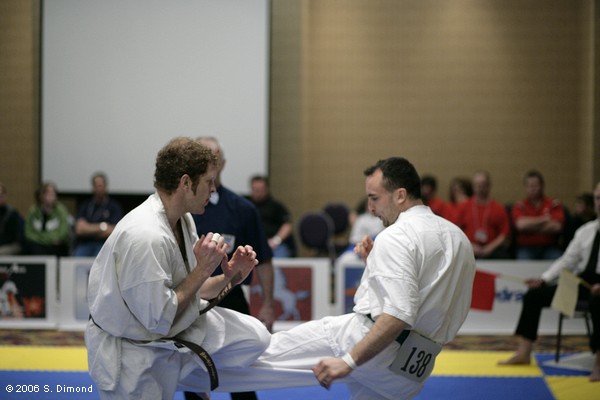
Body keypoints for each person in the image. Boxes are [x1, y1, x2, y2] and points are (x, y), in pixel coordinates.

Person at [213, 156, 477, 400]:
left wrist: (349, 361)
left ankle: (193, 367)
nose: (371, 209)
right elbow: (425, 289)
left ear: (400, 195)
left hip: (365, 343)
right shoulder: (458, 239)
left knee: (263, 353)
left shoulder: (397, 235)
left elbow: (398, 315)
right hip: (410, 370)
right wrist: (376, 262)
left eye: (374, 198)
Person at [85, 137, 271, 399]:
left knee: (255, 337)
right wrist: (202, 270)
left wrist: (231, 278)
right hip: (130, 357)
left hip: (160, 340)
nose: (213, 189)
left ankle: (193, 375)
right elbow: (159, 318)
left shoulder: (183, 220)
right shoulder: (146, 237)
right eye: (208, 181)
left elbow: (192, 290)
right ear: (185, 183)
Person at [189, 137, 275, 400]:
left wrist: (268, 304)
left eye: (213, 158)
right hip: (189, 301)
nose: (209, 163)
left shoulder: (242, 209)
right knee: (191, 377)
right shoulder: (181, 211)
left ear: (222, 164)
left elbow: (263, 260)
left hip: (231, 298)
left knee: (242, 376)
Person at [499, 181, 600, 382]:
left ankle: (599, 361)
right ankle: (524, 352)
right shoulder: (585, 231)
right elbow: (566, 261)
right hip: (583, 282)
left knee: (598, 302)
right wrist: (544, 279)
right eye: (598, 198)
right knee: (535, 295)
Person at [455, 171, 511, 259]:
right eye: (477, 185)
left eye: (483, 185)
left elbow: (504, 234)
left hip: (493, 251)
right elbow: (456, 231)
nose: (480, 188)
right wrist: (471, 245)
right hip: (469, 249)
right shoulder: (464, 207)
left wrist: (489, 248)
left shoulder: (498, 208)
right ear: (473, 187)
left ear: (489, 186)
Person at [511, 170, 565, 260]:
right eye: (530, 186)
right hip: (526, 248)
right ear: (525, 187)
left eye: (535, 185)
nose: (533, 189)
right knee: (523, 264)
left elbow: (557, 227)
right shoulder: (520, 205)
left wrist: (530, 227)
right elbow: (521, 225)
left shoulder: (553, 204)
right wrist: (544, 219)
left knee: (559, 262)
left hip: (549, 247)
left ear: (542, 186)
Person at [73, 172, 123, 257]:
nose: (99, 188)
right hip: (85, 243)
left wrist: (88, 228)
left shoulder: (113, 207)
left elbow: (114, 231)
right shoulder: (86, 205)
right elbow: (79, 229)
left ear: (105, 187)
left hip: (104, 244)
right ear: (93, 187)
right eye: (96, 186)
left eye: (100, 185)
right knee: (77, 256)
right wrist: (102, 227)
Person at [246, 174, 296, 258]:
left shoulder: (276, 206)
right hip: (250, 245)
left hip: (273, 245)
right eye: (255, 190)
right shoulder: (245, 205)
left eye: (260, 190)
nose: (258, 193)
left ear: (266, 189)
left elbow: (287, 225)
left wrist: (276, 241)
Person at [24, 181, 71, 256]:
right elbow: (28, 233)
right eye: (49, 194)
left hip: (54, 246)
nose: (52, 196)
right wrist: (44, 239)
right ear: (41, 195)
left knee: (60, 247)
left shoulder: (61, 211)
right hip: (37, 245)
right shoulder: (33, 211)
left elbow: (63, 233)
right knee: (29, 247)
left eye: (54, 194)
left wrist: (43, 238)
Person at [0, 182, 24, 255]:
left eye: (1, 196)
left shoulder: (11, 213)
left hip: (10, 244)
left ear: (5, 196)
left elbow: (11, 237)